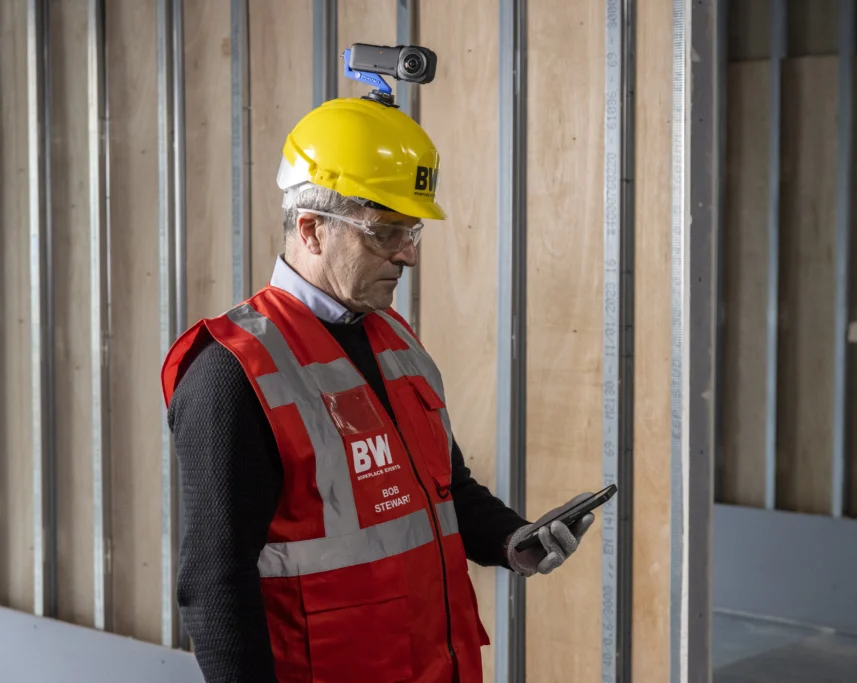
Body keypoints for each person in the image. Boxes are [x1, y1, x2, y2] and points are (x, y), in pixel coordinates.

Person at [160, 95, 595, 683]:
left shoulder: (394, 338)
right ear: (311, 230)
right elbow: (216, 581)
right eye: (386, 231)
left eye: (411, 230)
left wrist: (512, 541)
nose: (408, 254)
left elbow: (445, 489)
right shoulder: (234, 371)